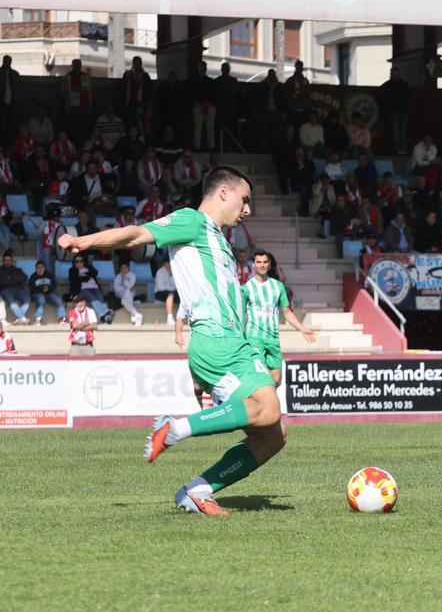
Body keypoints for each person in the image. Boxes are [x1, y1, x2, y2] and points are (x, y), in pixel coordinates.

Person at [58, 165, 285, 517]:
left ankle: (198, 490)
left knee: (273, 434)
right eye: (245, 200)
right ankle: (175, 427)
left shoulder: (220, 242)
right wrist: (81, 242)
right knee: (268, 408)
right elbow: (136, 235)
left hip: (230, 343)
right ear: (223, 192)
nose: (248, 210)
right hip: (217, 338)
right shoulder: (192, 222)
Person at [243, 250, 317, 385]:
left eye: (265, 262)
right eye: (258, 262)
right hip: (254, 338)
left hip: (273, 339)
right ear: (253, 265)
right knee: (258, 381)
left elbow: (287, 312)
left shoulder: (278, 286)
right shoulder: (246, 288)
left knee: (276, 381)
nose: (262, 265)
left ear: (269, 264)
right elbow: (241, 314)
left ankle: (266, 404)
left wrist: (303, 329)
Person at [28, 259, 66, 325]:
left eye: (41, 267)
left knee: (58, 300)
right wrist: (42, 288)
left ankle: (62, 319)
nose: (40, 269)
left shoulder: (49, 275)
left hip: (49, 293)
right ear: (36, 269)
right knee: (41, 299)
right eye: (38, 268)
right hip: (37, 294)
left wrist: (48, 288)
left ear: (44, 268)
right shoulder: (33, 277)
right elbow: (32, 289)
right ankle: (38, 319)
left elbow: (54, 285)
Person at [0, 250, 31, 324]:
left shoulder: (18, 270)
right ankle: (22, 317)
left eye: (9, 260)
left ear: (12, 261)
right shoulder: (0, 270)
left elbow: (25, 278)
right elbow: (4, 281)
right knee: (12, 302)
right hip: (5, 290)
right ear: (3, 261)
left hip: (18, 290)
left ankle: (19, 317)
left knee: (27, 299)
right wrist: (16, 279)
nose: (7, 262)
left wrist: (11, 278)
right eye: (6, 260)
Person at [155, 258, 178, 324]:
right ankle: (170, 317)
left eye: (170, 264)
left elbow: (175, 286)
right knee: (171, 294)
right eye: (167, 264)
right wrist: (171, 290)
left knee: (181, 296)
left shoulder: (173, 271)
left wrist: (171, 276)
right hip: (159, 293)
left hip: (171, 292)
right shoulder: (160, 272)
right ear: (164, 264)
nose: (169, 266)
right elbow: (161, 288)